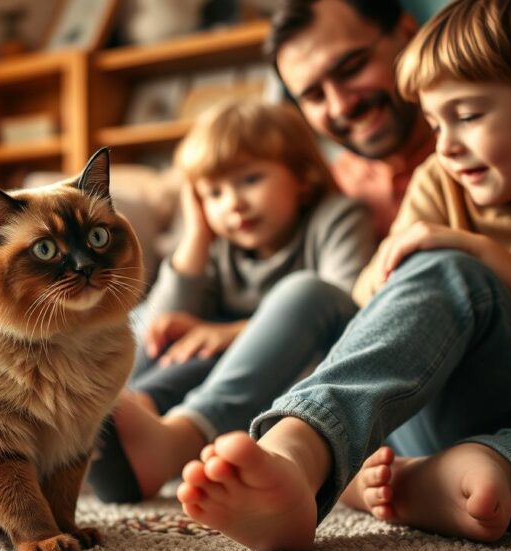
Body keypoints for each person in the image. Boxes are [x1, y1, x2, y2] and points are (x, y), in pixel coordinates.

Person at [177, 0, 511, 551]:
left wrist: (486, 255)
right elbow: (371, 304)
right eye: (433, 122)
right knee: (431, 270)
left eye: (467, 116)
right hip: (429, 405)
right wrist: (392, 272)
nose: (446, 145)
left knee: (451, 263)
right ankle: (303, 453)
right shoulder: (440, 179)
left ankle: (453, 474)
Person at [87, 99, 375, 503]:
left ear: (303, 177)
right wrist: (197, 234)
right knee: (159, 325)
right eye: (214, 193)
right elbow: (166, 319)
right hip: (218, 385)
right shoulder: (219, 244)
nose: (233, 204)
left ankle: (162, 437)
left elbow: (348, 306)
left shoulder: (338, 217)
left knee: (304, 291)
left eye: (250, 180)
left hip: (302, 377)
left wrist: (230, 332)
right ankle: (121, 416)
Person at [269, 0, 439, 237]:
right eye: (315, 96)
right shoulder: (325, 195)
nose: (340, 107)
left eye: (352, 68)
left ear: (408, 32)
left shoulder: (490, 156)